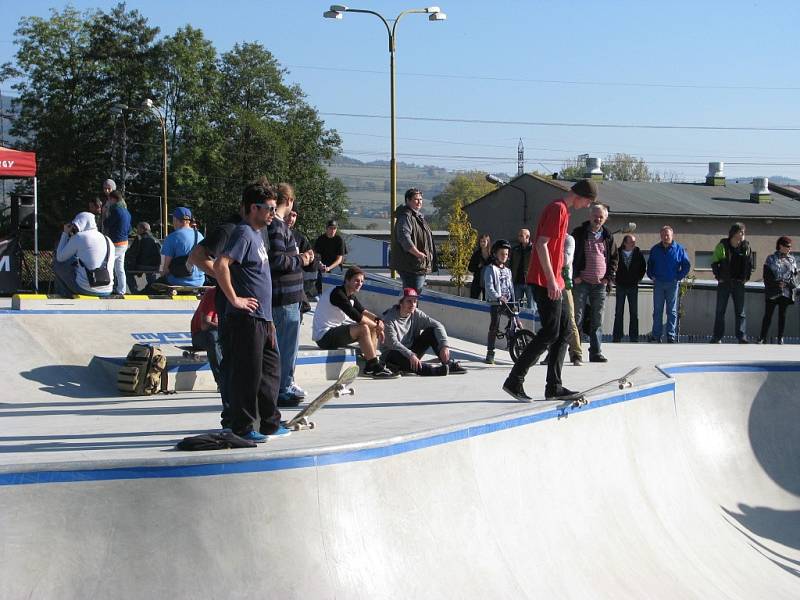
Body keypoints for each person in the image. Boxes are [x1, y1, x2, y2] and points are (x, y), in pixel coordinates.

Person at [502, 180, 597, 401]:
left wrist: (558, 279)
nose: (587, 207)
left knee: (564, 330)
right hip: (545, 281)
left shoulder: (563, 210)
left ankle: (554, 386)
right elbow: (541, 244)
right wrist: (551, 280)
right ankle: (515, 380)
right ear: (581, 196)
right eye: (589, 202)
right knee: (550, 331)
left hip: (556, 281)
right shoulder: (557, 209)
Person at [213, 182, 289, 443]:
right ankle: (242, 426)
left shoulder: (258, 234)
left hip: (263, 319)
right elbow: (221, 264)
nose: (272, 213)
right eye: (268, 208)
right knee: (247, 375)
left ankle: (270, 422)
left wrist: (269, 319)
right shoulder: (243, 233)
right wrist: (234, 299)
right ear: (253, 208)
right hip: (246, 319)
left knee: (270, 372)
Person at [188, 209, 243, 429]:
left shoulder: (256, 233)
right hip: (202, 333)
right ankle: (223, 386)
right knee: (213, 336)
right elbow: (204, 323)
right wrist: (228, 282)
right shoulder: (230, 230)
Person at [269, 183, 315, 407]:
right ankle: (282, 388)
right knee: (286, 347)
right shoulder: (277, 228)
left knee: (287, 346)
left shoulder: (277, 227)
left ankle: (284, 384)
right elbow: (277, 261)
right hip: (284, 299)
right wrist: (302, 260)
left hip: (290, 297)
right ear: (288, 201)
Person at [312, 266, 397, 378]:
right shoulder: (337, 294)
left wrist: (378, 320)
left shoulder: (350, 295)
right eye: (356, 280)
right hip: (324, 337)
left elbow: (363, 311)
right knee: (364, 328)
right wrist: (378, 327)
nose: (360, 283)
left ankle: (370, 366)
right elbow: (358, 317)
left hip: (333, 333)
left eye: (362, 281)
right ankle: (375, 366)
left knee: (370, 326)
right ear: (347, 280)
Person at [381, 287, 467, 376]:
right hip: (394, 354)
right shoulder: (389, 318)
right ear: (401, 303)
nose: (413, 304)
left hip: (411, 352)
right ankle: (432, 371)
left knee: (431, 331)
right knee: (394, 354)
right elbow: (392, 343)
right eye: (409, 301)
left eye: (415, 301)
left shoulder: (416, 314)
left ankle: (448, 363)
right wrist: (410, 354)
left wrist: (444, 345)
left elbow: (438, 325)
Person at [571, 203, 618, 362]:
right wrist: (575, 275)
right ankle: (575, 353)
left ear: (605, 219)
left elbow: (614, 260)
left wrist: (608, 278)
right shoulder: (578, 233)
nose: (598, 219)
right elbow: (569, 256)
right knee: (577, 318)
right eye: (595, 216)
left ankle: (596, 352)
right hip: (580, 282)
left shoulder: (608, 236)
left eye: (601, 217)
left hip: (600, 284)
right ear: (589, 216)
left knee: (597, 319)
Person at [540, 233, 583, 366]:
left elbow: (565, 260)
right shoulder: (547, 238)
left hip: (564, 284)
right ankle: (551, 353)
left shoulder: (568, 239)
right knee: (551, 320)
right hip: (549, 283)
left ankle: (576, 353)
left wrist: (548, 252)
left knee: (570, 319)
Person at [710, 223, 754, 344]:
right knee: (720, 311)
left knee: (740, 312)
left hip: (739, 283)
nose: (743, 235)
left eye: (744, 233)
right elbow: (714, 261)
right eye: (741, 232)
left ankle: (742, 336)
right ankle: (717, 337)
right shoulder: (723, 245)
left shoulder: (746, 246)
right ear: (734, 233)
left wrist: (747, 277)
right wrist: (718, 277)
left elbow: (750, 264)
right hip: (725, 283)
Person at [53, 212, 114, 297]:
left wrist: (65, 233)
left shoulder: (80, 237)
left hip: (85, 288)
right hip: (107, 289)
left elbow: (60, 257)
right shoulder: (108, 240)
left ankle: (64, 297)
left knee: (58, 263)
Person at [646, 225, 691, 343]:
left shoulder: (679, 249)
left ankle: (671, 335)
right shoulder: (655, 249)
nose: (665, 237)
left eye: (668, 235)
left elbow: (686, 265)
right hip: (659, 283)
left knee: (672, 311)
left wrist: (678, 277)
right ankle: (656, 335)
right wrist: (652, 276)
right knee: (657, 310)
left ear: (672, 236)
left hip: (672, 283)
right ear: (660, 236)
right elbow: (650, 265)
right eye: (663, 235)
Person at [390, 187, 437, 293]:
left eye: (420, 199)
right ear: (408, 200)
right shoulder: (406, 217)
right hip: (411, 266)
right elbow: (404, 238)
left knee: (413, 297)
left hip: (418, 266)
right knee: (411, 297)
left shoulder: (418, 217)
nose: (419, 202)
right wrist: (418, 254)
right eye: (416, 199)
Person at [758, 236, 797, 344]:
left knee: (782, 314)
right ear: (780, 246)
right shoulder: (771, 258)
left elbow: (794, 275)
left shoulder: (792, 259)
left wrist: (789, 284)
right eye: (787, 246)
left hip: (786, 291)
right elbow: (766, 275)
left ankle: (780, 338)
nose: (789, 249)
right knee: (768, 314)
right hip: (772, 291)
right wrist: (775, 283)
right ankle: (762, 337)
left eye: (790, 247)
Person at [156, 206, 206, 289]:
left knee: (150, 288)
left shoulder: (172, 238)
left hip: (177, 281)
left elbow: (163, 268)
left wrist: (162, 273)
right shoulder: (200, 236)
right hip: (199, 282)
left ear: (175, 220)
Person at [484, 239, 515, 365]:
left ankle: (513, 342)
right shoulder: (490, 269)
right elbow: (489, 287)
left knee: (515, 322)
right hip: (496, 303)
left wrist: (513, 300)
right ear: (495, 254)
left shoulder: (508, 271)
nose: (505, 256)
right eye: (502, 253)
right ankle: (490, 352)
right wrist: (498, 297)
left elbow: (511, 287)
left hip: (508, 302)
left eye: (506, 254)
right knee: (494, 326)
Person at [612, 234, 647, 343]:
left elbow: (643, 267)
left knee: (634, 312)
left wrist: (638, 278)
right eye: (631, 242)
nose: (633, 244)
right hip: (620, 285)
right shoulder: (617, 252)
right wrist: (614, 278)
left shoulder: (638, 253)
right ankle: (617, 336)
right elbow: (612, 265)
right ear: (625, 243)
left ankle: (634, 337)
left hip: (633, 286)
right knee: (618, 312)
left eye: (634, 242)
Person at [190, 287, 223, 389]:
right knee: (213, 337)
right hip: (200, 334)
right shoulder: (213, 294)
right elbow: (205, 325)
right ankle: (221, 381)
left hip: (220, 333)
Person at [103, 190, 132, 297]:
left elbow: (107, 223)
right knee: (120, 268)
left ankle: (107, 287)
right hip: (124, 242)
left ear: (114, 199)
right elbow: (129, 229)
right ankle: (122, 289)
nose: (108, 201)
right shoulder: (126, 212)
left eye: (109, 199)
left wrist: (105, 213)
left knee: (108, 264)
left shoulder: (115, 211)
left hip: (116, 242)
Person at [287, 209, 319, 304]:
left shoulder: (299, 238)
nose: (291, 218)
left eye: (294, 215)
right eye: (289, 214)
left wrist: (311, 259)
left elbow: (313, 266)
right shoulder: (271, 233)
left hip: (295, 290)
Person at [125, 222, 161, 293]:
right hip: (155, 266)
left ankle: (134, 291)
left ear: (143, 229)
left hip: (143, 265)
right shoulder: (156, 239)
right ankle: (153, 290)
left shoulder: (139, 238)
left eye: (138, 229)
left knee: (126, 271)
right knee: (151, 273)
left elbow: (132, 253)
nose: (137, 231)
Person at [314, 219, 346, 296]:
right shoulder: (321, 239)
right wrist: (320, 264)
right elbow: (315, 255)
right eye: (330, 228)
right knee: (318, 276)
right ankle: (320, 295)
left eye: (334, 228)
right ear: (326, 228)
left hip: (335, 266)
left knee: (335, 282)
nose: (332, 230)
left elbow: (339, 259)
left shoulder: (339, 240)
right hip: (323, 265)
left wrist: (329, 268)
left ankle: (337, 295)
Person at [509, 228, 535, 309]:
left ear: (527, 237)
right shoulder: (515, 249)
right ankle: (516, 321)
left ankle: (532, 321)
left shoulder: (534, 250)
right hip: (517, 281)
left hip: (530, 282)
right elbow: (511, 264)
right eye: (518, 235)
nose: (518, 237)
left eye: (521, 236)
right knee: (516, 306)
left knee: (531, 306)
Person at [467, 233, 491, 300]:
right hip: (477, 280)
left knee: (487, 300)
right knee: (473, 299)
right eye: (481, 241)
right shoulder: (476, 254)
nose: (482, 243)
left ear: (488, 242)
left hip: (488, 281)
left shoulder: (492, 255)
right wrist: (478, 266)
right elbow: (470, 268)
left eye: (484, 241)